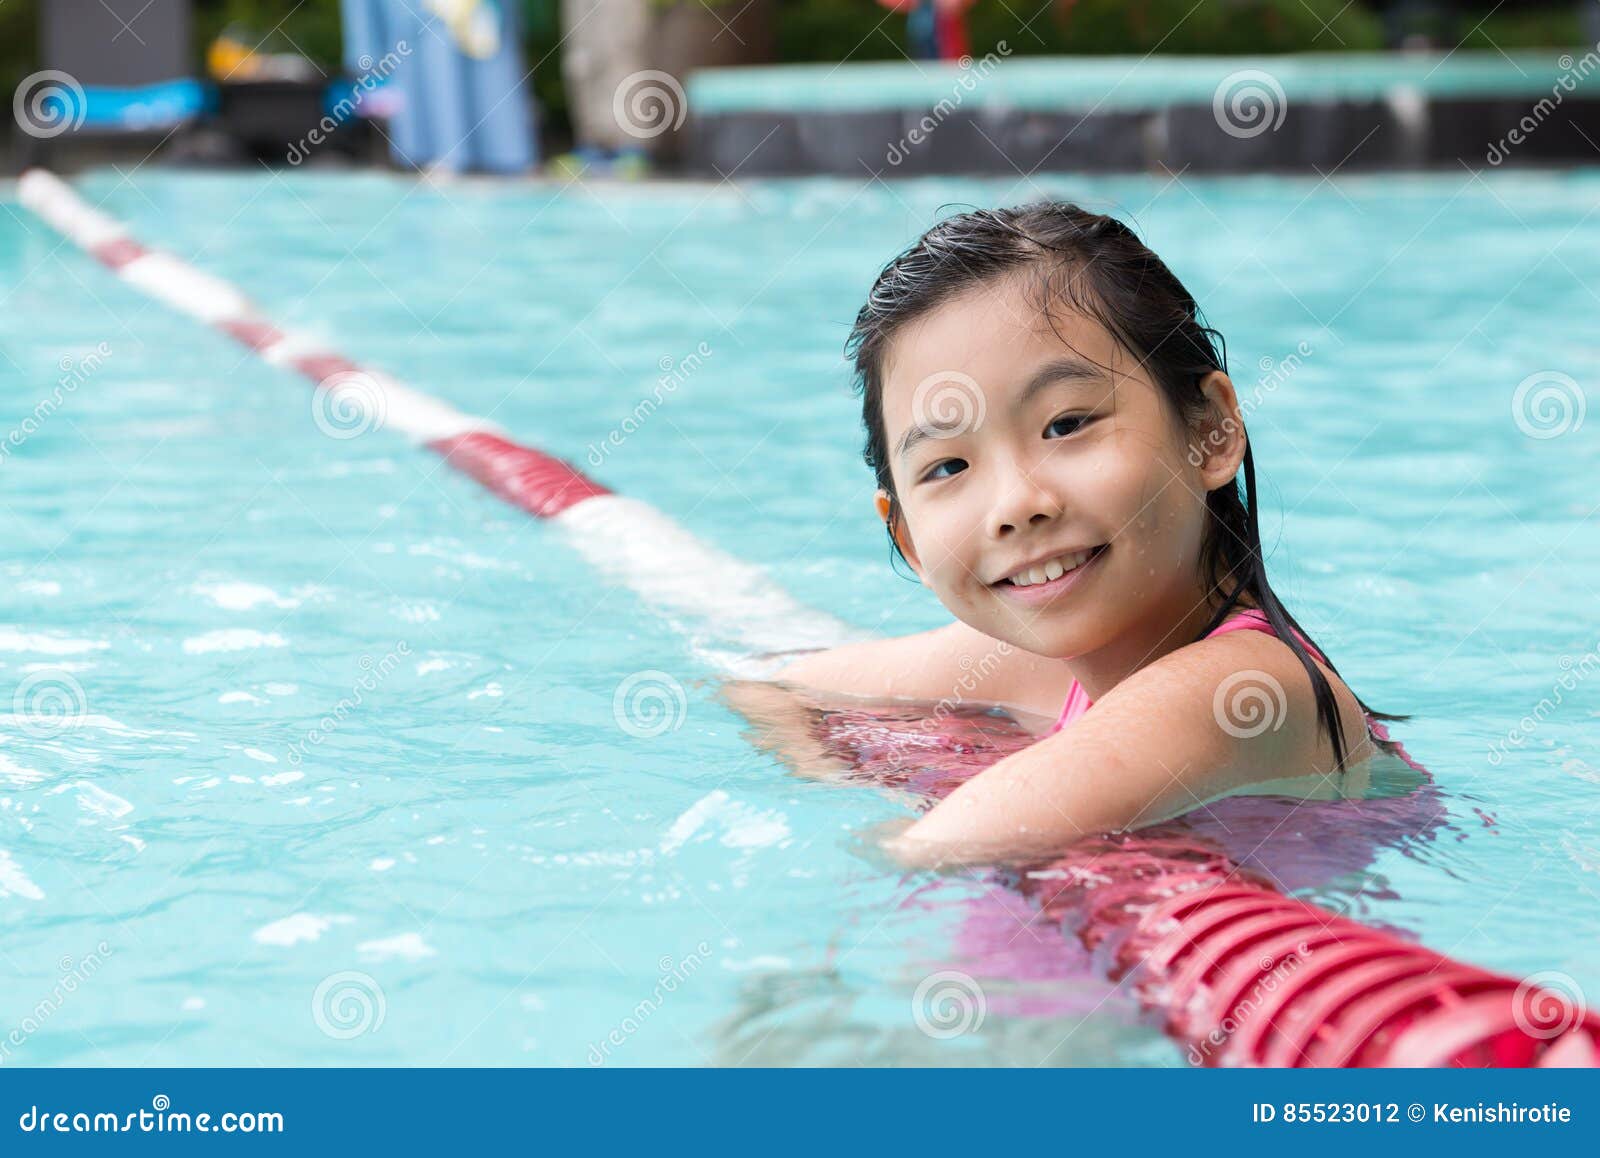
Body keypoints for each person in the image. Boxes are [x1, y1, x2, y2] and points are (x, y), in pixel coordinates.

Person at [728, 202, 1414, 870]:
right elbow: (773, 690)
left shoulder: (1248, 689)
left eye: (1066, 424)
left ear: (1210, 430)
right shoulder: (1047, 664)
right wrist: (849, 776)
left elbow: (936, 850)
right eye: (948, 466)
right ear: (907, 539)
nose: (1017, 504)